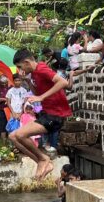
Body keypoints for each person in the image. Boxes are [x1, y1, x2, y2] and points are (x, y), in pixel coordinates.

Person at [10, 48, 72, 181]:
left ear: (27, 62)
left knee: (20, 134)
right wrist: (27, 81)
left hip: (55, 115)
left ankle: (44, 159)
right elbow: (37, 92)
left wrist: (42, 97)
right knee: (13, 137)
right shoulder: (33, 74)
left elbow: (63, 82)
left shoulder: (42, 69)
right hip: (47, 114)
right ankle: (41, 161)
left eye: (20, 67)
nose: (20, 70)